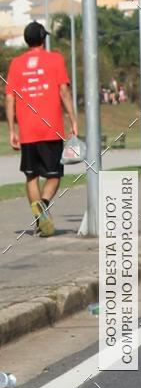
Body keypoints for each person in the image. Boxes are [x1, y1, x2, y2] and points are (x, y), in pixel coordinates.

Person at [5, 21, 78, 237]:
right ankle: (43, 206)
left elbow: (9, 99)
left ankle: (39, 219)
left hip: (27, 130)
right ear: (43, 39)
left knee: (31, 176)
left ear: (27, 40)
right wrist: (73, 119)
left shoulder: (16, 64)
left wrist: (11, 130)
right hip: (51, 128)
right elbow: (64, 91)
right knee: (54, 174)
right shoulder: (55, 59)